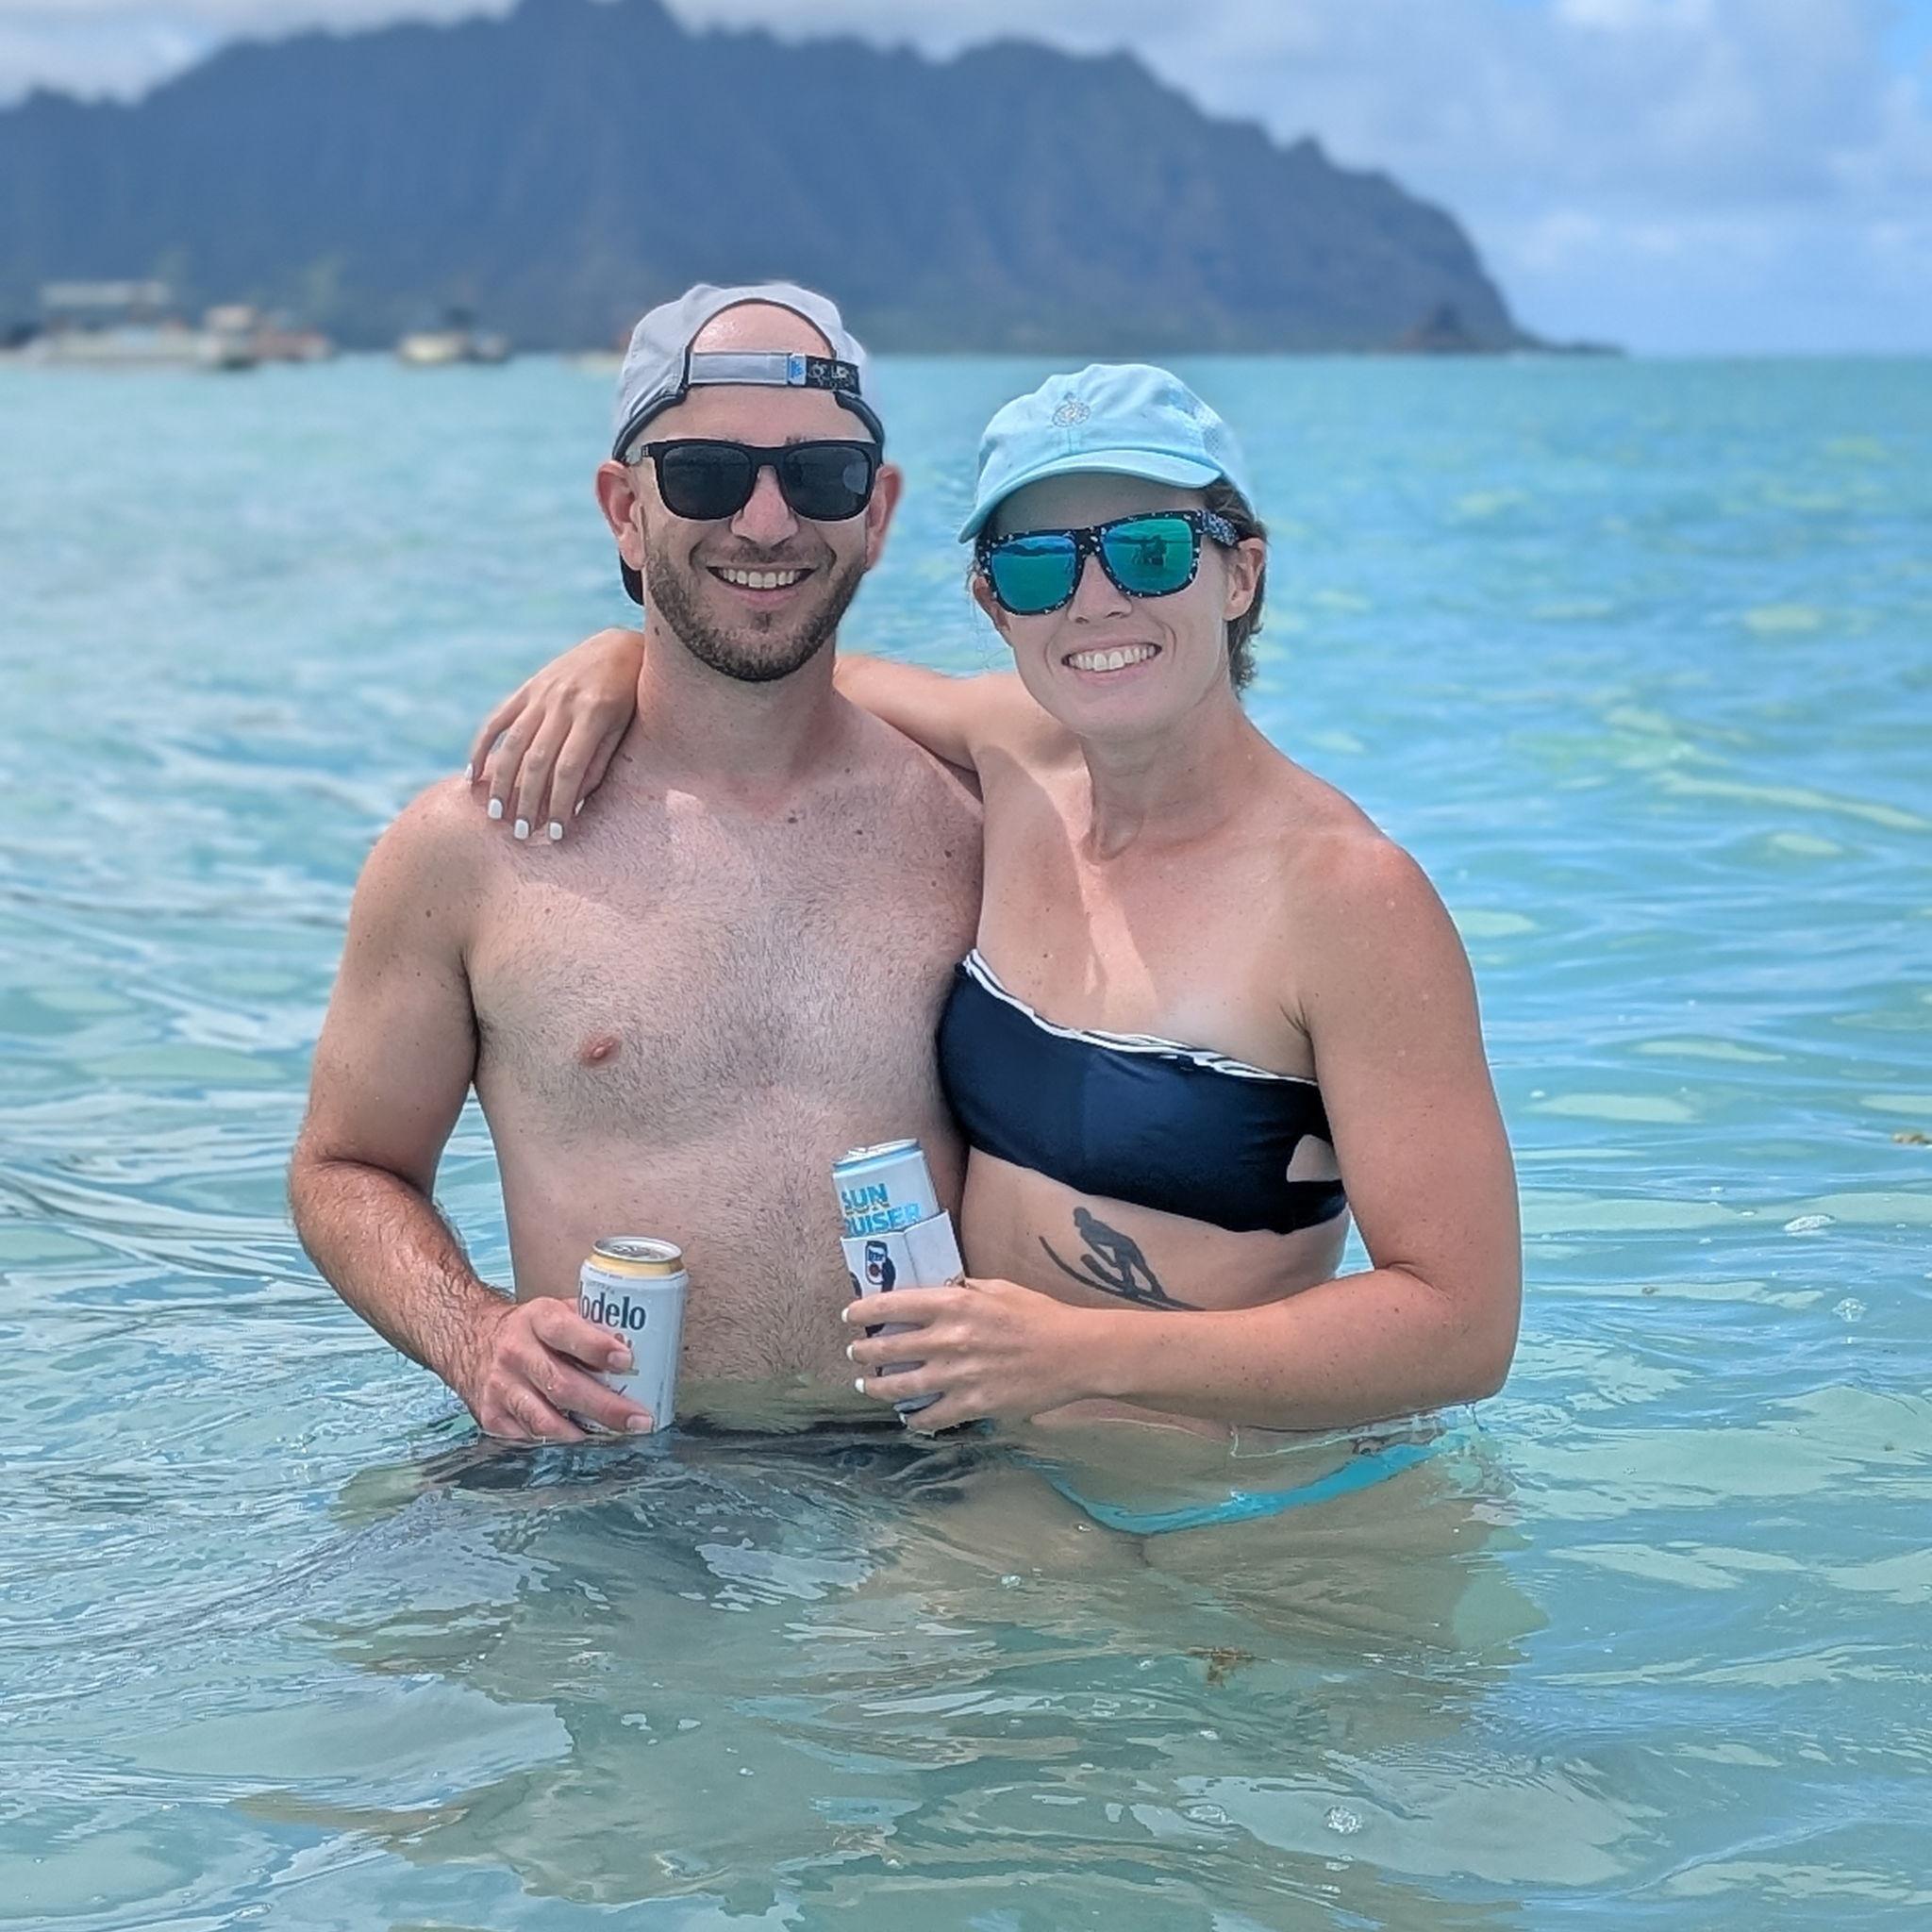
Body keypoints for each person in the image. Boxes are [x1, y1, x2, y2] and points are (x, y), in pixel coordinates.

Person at [468, 361, 1522, 1441]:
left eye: (1150, 550)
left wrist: (1075, 1354)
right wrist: (613, 654)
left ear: (1238, 573)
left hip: (1238, 1532)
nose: (1095, 599)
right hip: (995, 1493)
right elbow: (775, 670)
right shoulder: (1014, 761)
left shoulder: (1342, 895)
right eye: (1034, 567)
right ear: (990, 603)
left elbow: (1462, 1328)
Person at [290, 283, 981, 1443]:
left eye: (819, 478)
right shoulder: (473, 845)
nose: (765, 523)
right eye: (706, 474)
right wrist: (473, 1333)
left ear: (877, 512)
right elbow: (345, 1168)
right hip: (599, 1491)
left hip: (921, 1479)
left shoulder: (973, 825)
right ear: (623, 507)